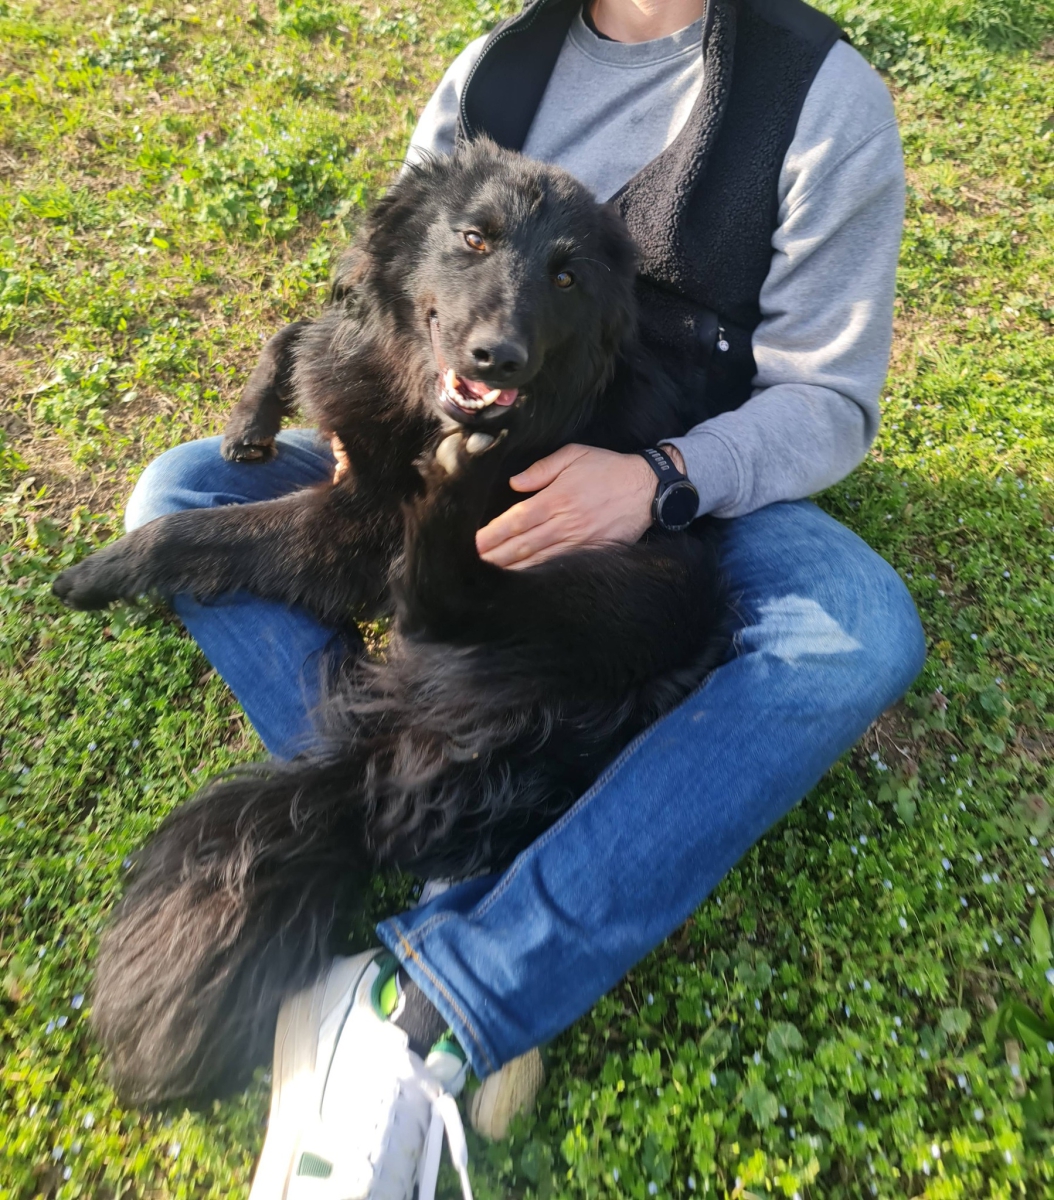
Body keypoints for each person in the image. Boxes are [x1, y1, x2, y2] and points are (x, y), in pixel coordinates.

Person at [124, 0, 926, 1194]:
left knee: (859, 630)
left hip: (689, 478)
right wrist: (374, 430)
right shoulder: (493, 68)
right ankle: (452, 819)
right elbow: (391, 278)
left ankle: (442, 1000)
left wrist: (658, 480)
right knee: (181, 489)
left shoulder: (817, 97)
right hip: (460, 446)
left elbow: (827, 399)